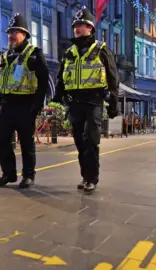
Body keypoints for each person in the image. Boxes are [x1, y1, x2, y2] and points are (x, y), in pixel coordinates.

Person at [52, 7, 119, 193]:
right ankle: (84, 176)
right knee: (79, 143)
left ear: (90, 28)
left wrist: (113, 104)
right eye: (76, 25)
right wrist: (58, 97)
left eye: (82, 25)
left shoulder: (101, 50)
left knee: (90, 141)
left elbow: (113, 78)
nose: (78, 28)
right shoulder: (69, 52)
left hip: (93, 102)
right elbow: (61, 77)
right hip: (75, 104)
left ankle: (92, 178)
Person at [0, 13, 49, 188]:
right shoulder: (4, 57)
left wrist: (38, 105)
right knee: (0, 139)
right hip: (8, 105)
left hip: (26, 104)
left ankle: (28, 176)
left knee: (26, 142)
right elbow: (0, 81)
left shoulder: (34, 54)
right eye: (10, 31)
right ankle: (9, 174)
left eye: (15, 31)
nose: (11, 35)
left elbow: (44, 80)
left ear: (24, 34)